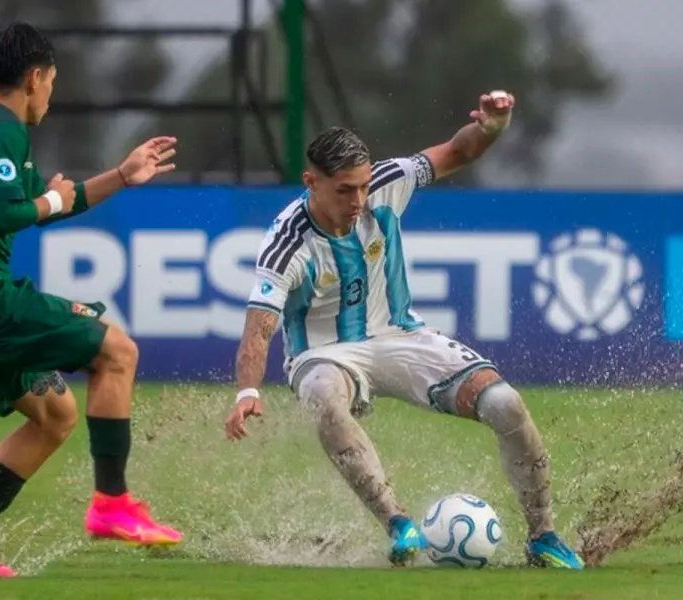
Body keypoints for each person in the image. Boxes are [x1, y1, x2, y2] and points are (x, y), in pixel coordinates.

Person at [224, 91, 584, 569]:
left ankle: (543, 536)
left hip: (400, 336)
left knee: (505, 403)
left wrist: (492, 129)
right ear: (311, 181)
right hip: (324, 353)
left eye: (362, 186)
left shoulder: (387, 184)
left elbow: (457, 151)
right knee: (323, 396)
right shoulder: (287, 243)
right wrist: (247, 388)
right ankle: (398, 524)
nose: (358, 200)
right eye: (344, 190)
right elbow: (258, 329)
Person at [0, 23, 182, 577]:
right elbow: (0, 216)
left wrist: (122, 177)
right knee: (117, 352)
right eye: (53, 81)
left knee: (55, 415)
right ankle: (112, 505)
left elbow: (52, 202)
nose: (51, 95)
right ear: (34, 77)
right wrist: (49, 200)